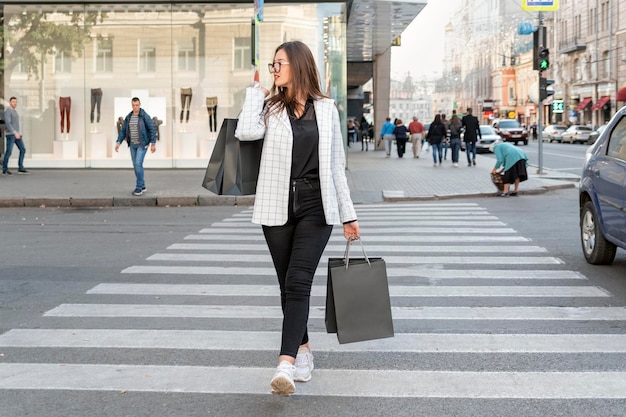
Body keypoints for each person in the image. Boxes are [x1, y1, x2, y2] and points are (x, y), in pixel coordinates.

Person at [235, 40, 360, 397]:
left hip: (316, 205)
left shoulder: (326, 109)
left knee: (299, 281)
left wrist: (348, 214)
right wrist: (254, 93)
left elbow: (336, 166)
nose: (275, 70)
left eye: (280, 64)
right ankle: (303, 349)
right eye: (272, 65)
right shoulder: (270, 107)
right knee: (287, 284)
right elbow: (245, 133)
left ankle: (285, 363)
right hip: (277, 204)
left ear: (299, 66)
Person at [115, 97, 157, 195]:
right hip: (133, 145)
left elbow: (152, 128)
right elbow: (123, 131)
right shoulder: (129, 117)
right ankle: (142, 185)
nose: (135, 107)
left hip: (142, 145)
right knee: (136, 165)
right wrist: (118, 142)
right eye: (133, 105)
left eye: (137, 105)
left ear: (140, 104)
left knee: (138, 163)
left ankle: (139, 188)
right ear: (131, 105)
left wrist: (153, 144)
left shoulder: (144, 115)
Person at [2, 97, 29, 175]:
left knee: (23, 149)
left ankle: (20, 168)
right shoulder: (8, 111)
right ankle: (5, 169)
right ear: (10, 102)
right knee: (9, 152)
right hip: (10, 135)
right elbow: (8, 123)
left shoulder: (15, 111)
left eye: (16, 102)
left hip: (16, 134)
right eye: (13, 102)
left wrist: (18, 133)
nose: (15, 103)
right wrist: (14, 132)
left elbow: (15, 124)